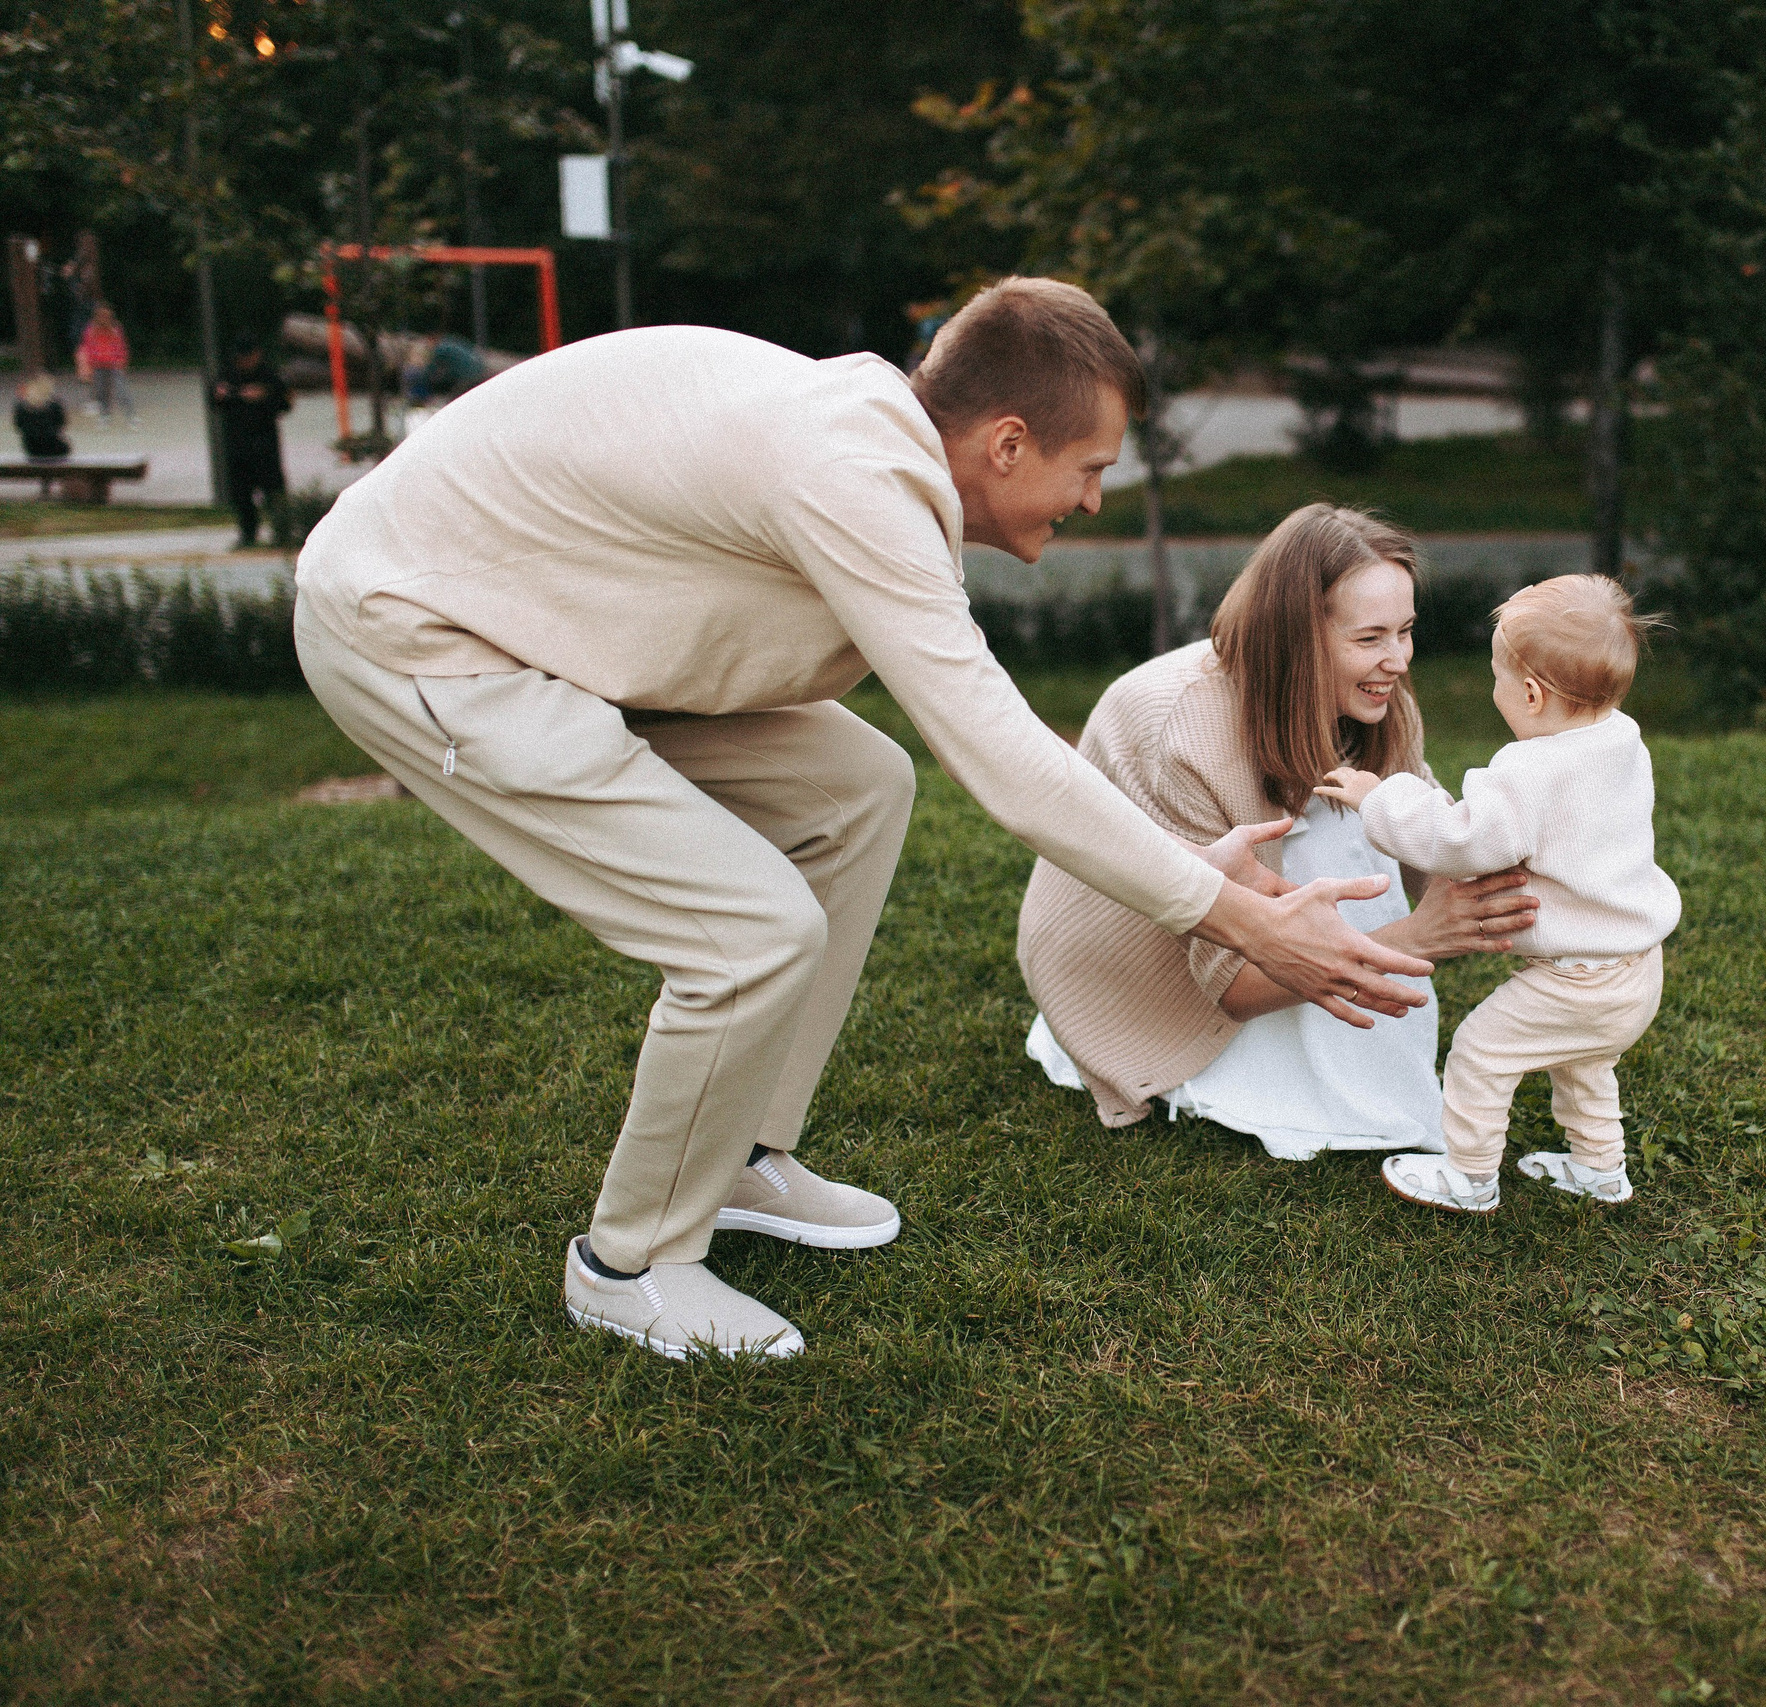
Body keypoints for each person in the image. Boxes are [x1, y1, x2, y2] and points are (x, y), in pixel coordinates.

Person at [293, 277, 1431, 1363]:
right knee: (746, 935)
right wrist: (1239, 917)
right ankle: (628, 1265)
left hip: (541, 624)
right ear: (1007, 445)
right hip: (417, 631)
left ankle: (736, 1155)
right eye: (1088, 468)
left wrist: (1209, 895)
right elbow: (1000, 753)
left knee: (859, 786)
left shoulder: (868, 450)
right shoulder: (853, 475)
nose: (1092, 499)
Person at [1017, 505, 1538, 1158]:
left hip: (1255, 919)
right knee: (1327, 839)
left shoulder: (1376, 696)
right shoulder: (1177, 730)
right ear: (1297, 637)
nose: (1399, 660)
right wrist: (1417, 936)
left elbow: (1426, 836)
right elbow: (1231, 984)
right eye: (1370, 637)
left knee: (1361, 814)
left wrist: (1503, 873)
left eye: (1405, 631)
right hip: (1132, 969)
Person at [1318, 574, 1681, 1213]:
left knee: (1480, 1053)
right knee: (1585, 1063)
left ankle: (1469, 1175)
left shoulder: (1528, 770)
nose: (1494, 691)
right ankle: (1600, 1169)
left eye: (1497, 677)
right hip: (1636, 971)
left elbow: (1464, 842)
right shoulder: (1623, 740)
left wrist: (1383, 798)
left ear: (1533, 694)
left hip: (1577, 980)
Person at [209, 343, 293, 548]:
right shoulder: (228, 373)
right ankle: (248, 534)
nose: (244, 362)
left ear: (257, 354)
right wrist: (220, 395)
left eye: (248, 357)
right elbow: (215, 400)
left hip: (265, 442)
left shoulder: (269, 375)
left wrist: (263, 396)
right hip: (238, 443)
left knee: (272, 489)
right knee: (241, 492)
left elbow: (285, 403)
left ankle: (281, 532)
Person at [75, 302, 134, 426]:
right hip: (98, 365)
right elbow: (88, 347)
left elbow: (121, 345)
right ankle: (104, 415)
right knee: (102, 392)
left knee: (121, 390)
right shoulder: (91, 329)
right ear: (96, 316)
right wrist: (90, 363)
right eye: (101, 315)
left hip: (114, 364)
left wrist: (122, 361)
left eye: (106, 314)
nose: (104, 317)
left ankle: (130, 416)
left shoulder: (115, 328)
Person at [13, 374, 71, 460]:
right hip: (54, 447)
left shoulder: (21, 407)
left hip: (31, 448)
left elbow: (18, 426)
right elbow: (61, 424)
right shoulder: (54, 405)